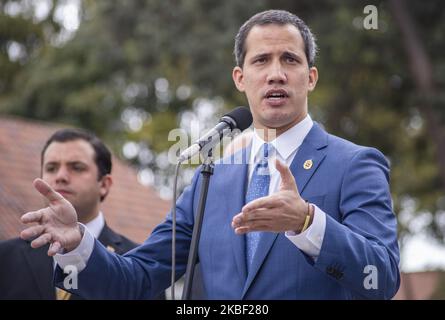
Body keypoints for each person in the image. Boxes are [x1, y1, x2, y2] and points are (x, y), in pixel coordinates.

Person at [20, 10, 400, 299]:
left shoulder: (354, 164)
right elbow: (134, 279)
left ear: (311, 78)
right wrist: (78, 245)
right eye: (261, 60)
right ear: (240, 79)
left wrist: (308, 223)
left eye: (290, 60)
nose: (276, 74)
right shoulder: (211, 177)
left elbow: (381, 276)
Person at [0, 128, 163, 300]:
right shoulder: (6, 258)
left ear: (104, 185)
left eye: (77, 168)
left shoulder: (140, 264)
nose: (61, 176)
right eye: (51, 168)